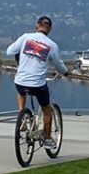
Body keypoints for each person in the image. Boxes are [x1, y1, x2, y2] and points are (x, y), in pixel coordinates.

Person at [5, 15, 68, 149]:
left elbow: (9, 51)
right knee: (46, 110)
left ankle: (22, 114)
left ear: (36, 25)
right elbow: (59, 65)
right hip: (38, 85)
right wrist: (65, 72)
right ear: (49, 29)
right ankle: (48, 138)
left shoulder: (26, 37)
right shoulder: (52, 45)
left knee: (20, 90)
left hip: (20, 81)